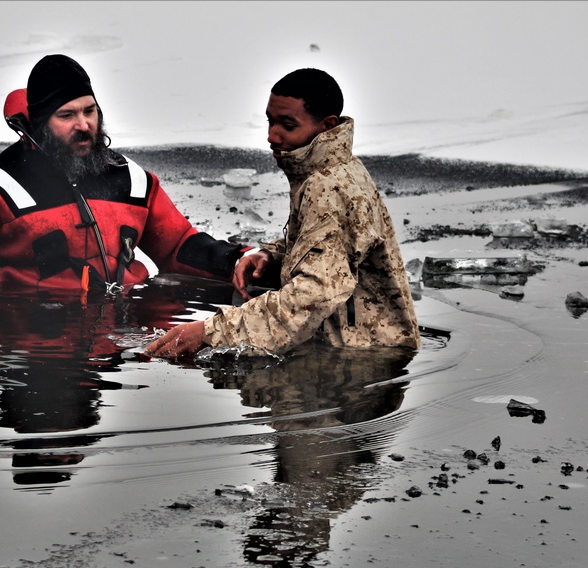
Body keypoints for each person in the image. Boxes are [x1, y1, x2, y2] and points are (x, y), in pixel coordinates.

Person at [0, 54, 249, 296]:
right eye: (67, 115)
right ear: (42, 125)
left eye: (90, 111)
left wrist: (238, 260)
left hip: (121, 341)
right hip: (31, 338)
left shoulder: (134, 182)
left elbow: (177, 247)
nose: (84, 125)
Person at [147, 68, 420, 357]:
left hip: (367, 360)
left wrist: (210, 332)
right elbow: (324, 249)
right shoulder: (327, 169)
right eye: (270, 121)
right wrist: (271, 255)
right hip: (354, 347)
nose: (271, 136)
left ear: (326, 126)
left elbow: (312, 295)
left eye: (287, 125)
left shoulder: (331, 187)